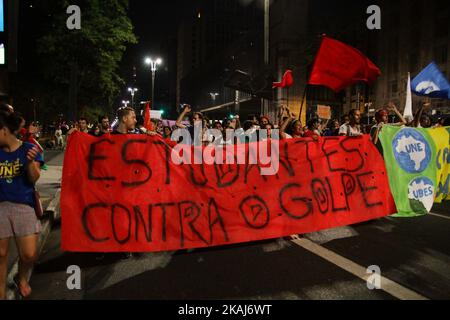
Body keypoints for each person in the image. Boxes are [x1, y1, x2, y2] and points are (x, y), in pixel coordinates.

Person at [0, 111, 44, 299]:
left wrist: (30, 161)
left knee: (29, 255)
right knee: (0, 254)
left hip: (23, 206)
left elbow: (34, 178)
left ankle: (22, 277)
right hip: (0, 206)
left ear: (3, 131)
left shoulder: (28, 148)